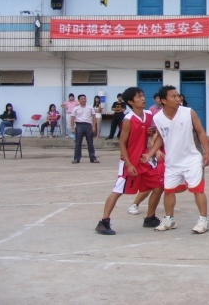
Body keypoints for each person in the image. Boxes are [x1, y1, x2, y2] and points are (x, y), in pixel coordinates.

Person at [151, 85, 209, 234]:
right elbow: (159, 138)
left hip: (192, 159)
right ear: (163, 100)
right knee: (168, 191)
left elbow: (200, 132)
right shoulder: (157, 118)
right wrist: (151, 152)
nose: (178, 99)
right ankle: (169, 219)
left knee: (198, 190)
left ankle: (204, 220)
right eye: (173, 96)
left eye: (178, 96)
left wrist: (207, 153)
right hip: (172, 161)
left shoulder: (189, 112)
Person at [95, 87, 164, 235]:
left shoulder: (148, 114)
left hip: (144, 159)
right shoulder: (128, 120)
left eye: (143, 95)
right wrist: (128, 163)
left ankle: (150, 217)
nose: (143, 98)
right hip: (130, 161)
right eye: (139, 97)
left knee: (158, 186)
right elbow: (122, 143)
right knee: (118, 191)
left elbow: (150, 133)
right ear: (131, 102)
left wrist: (150, 132)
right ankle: (103, 222)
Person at [128, 93, 165, 215]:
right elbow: (155, 136)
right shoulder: (156, 115)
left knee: (162, 185)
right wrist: (157, 150)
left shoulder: (181, 116)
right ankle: (135, 204)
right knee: (154, 183)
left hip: (176, 157)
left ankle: (154, 215)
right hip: (161, 156)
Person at [71, 94, 98, 163]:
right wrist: (73, 128)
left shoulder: (90, 108)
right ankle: (76, 158)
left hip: (88, 126)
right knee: (78, 143)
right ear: (79, 100)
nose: (83, 100)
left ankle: (93, 158)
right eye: (82, 99)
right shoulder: (75, 108)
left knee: (90, 143)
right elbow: (72, 118)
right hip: (79, 126)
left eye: (84, 99)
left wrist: (94, 126)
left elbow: (94, 117)